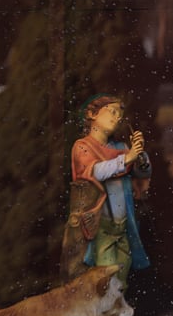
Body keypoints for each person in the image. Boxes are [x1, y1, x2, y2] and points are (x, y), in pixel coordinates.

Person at [65, 94, 151, 289]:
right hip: (100, 228)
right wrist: (127, 158)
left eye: (120, 116)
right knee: (106, 278)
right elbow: (95, 172)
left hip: (123, 227)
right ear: (92, 114)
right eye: (112, 112)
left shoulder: (121, 148)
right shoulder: (82, 146)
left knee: (121, 279)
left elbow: (143, 172)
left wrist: (140, 153)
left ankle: (117, 305)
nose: (117, 118)